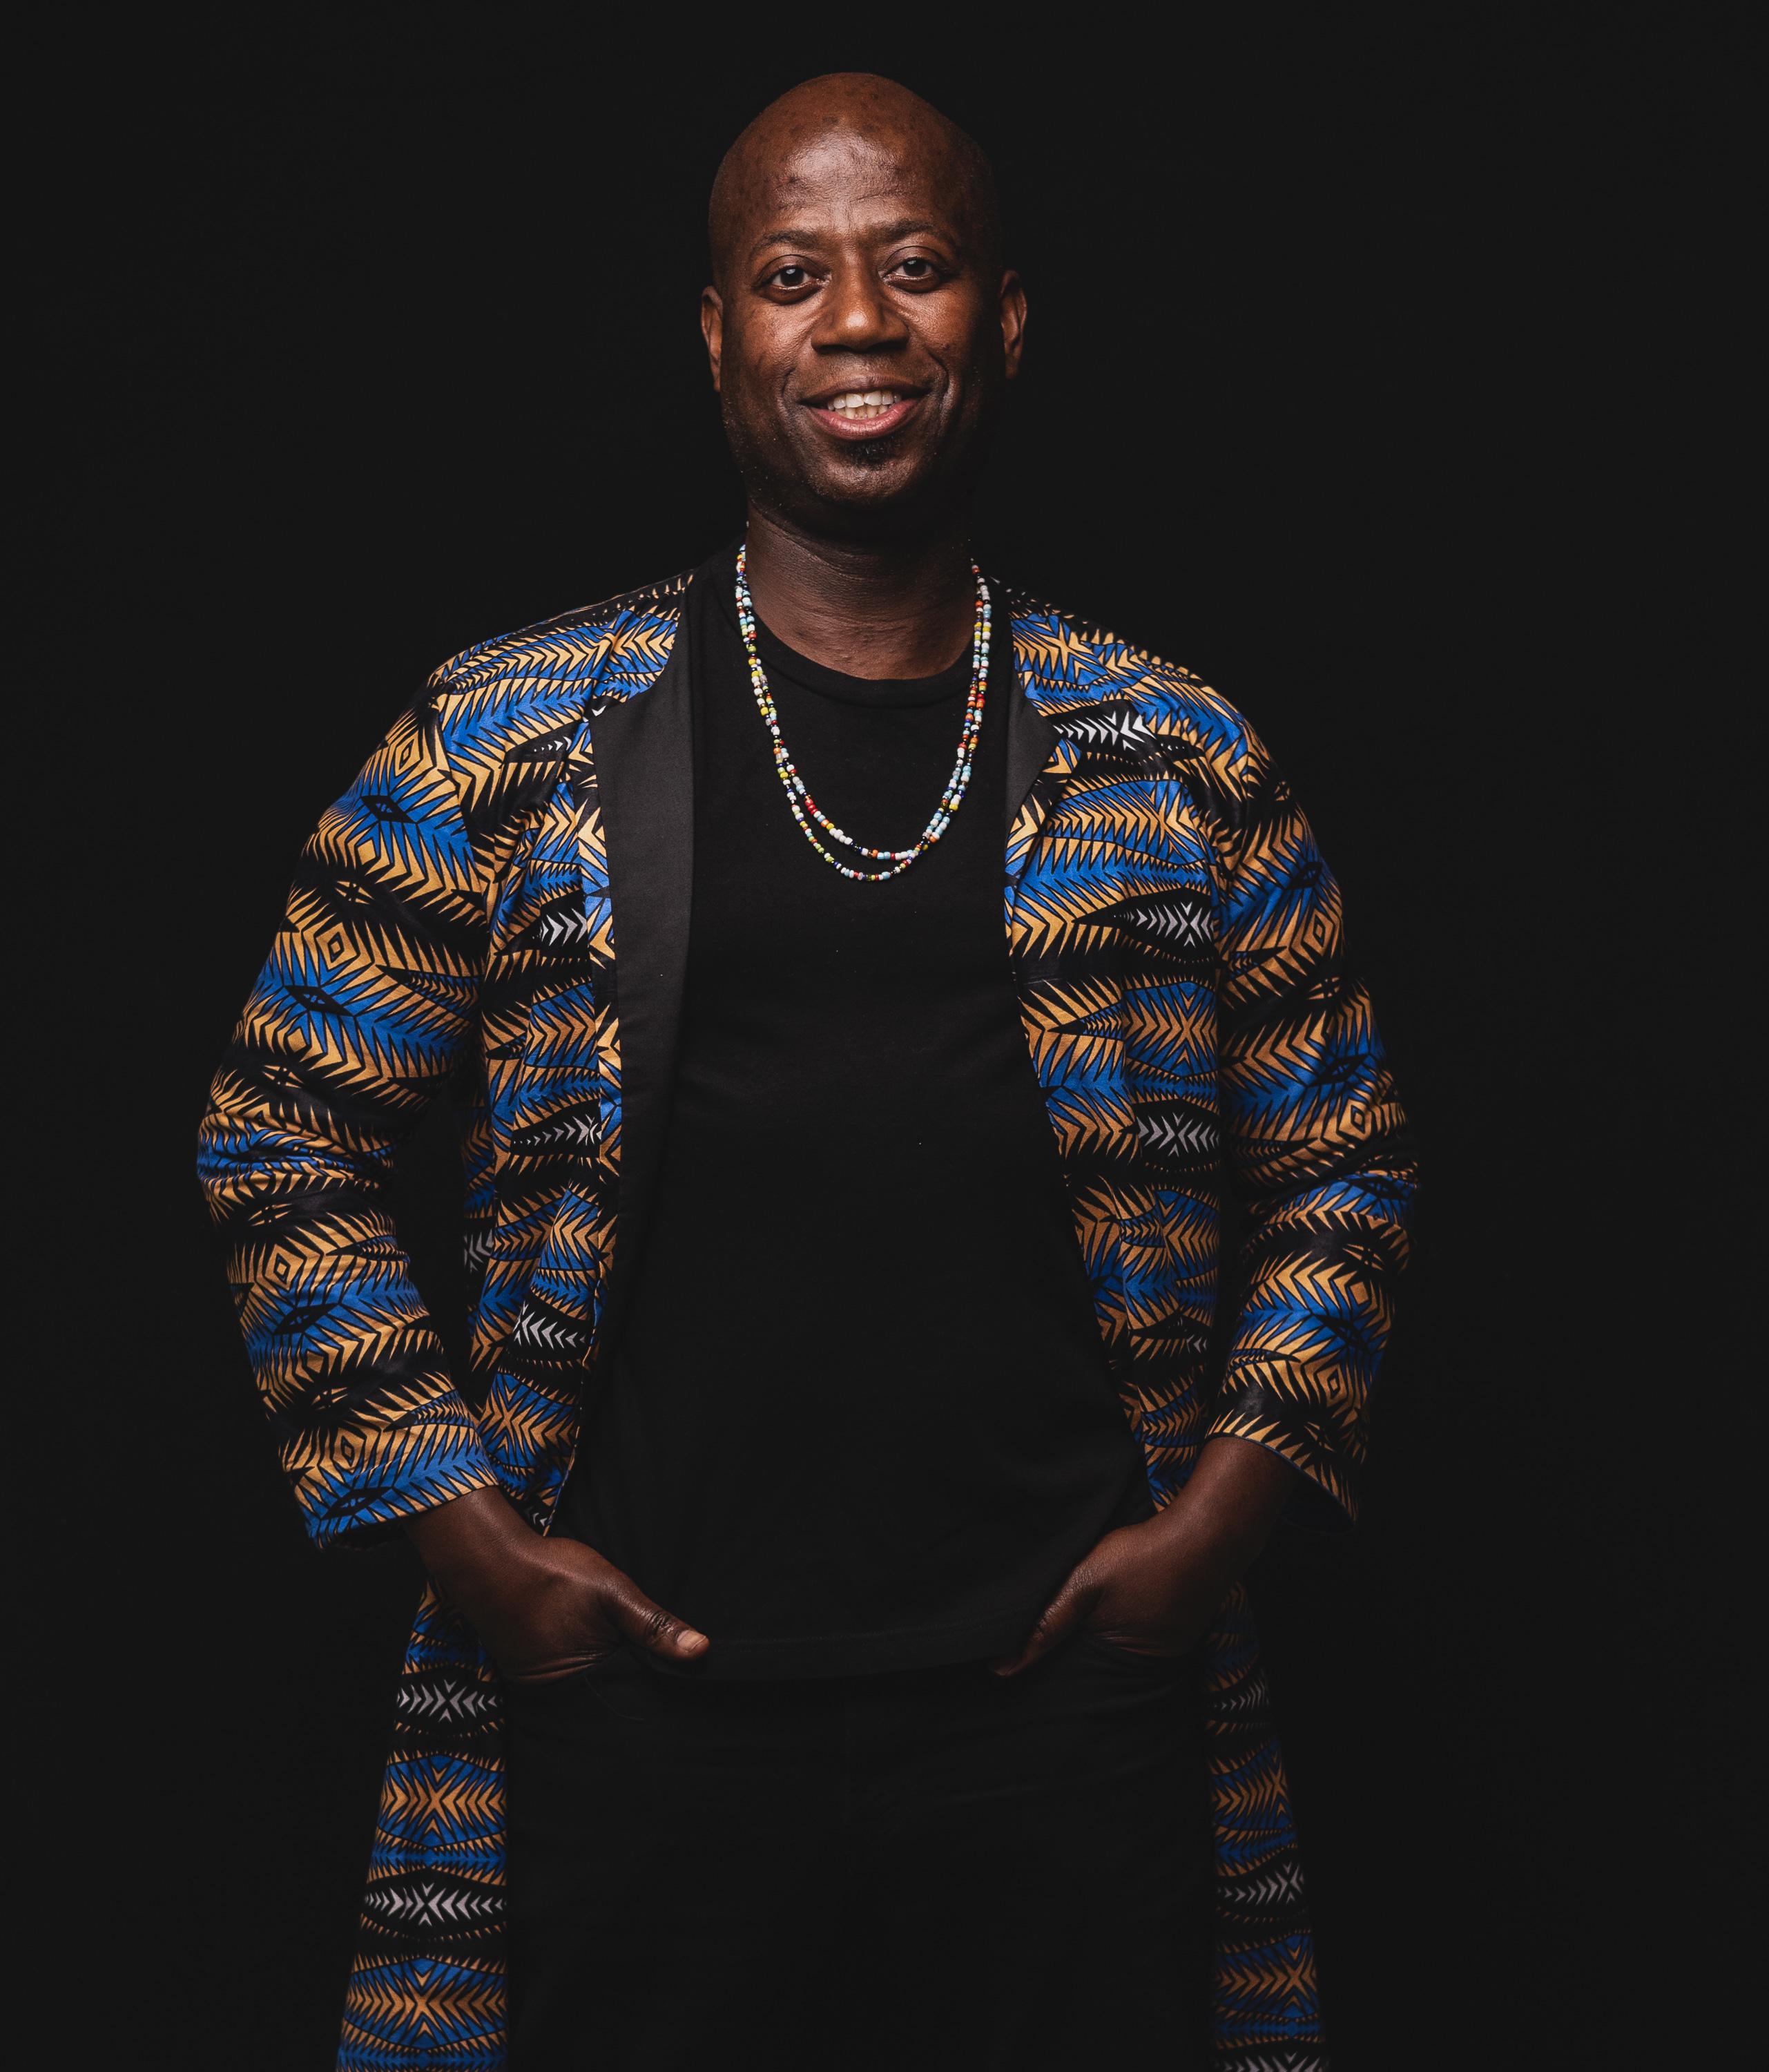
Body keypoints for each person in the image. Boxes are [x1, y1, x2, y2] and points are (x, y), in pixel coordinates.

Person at [198, 70, 1417, 2072]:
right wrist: (459, 1531)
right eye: (792, 275)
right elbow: (282, 1128)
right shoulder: (508, 734)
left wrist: (1224, 1518)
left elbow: (1342, 1158)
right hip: (633, 1713)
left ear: (1000, 321)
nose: (857, 321)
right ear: (717, 337)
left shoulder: (1177, 753)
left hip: (1068, 1718)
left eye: (913, 267)